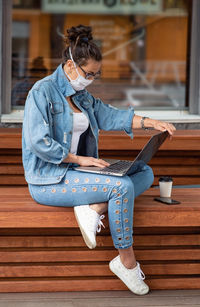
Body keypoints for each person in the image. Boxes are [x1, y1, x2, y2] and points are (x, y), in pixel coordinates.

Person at [22, 24, 176, 295]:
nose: (91, 79)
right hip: (49, 179)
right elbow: (38, 142)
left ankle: (94, 208)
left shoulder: (81, 96)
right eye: (88, 73)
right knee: (121, 186)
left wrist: (152, 122)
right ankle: (126, 262)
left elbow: (113, 115)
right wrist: (79, 159)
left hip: (76, 175)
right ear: (70, 66)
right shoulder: (41, 92)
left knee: (143, 173)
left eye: (96, 74)